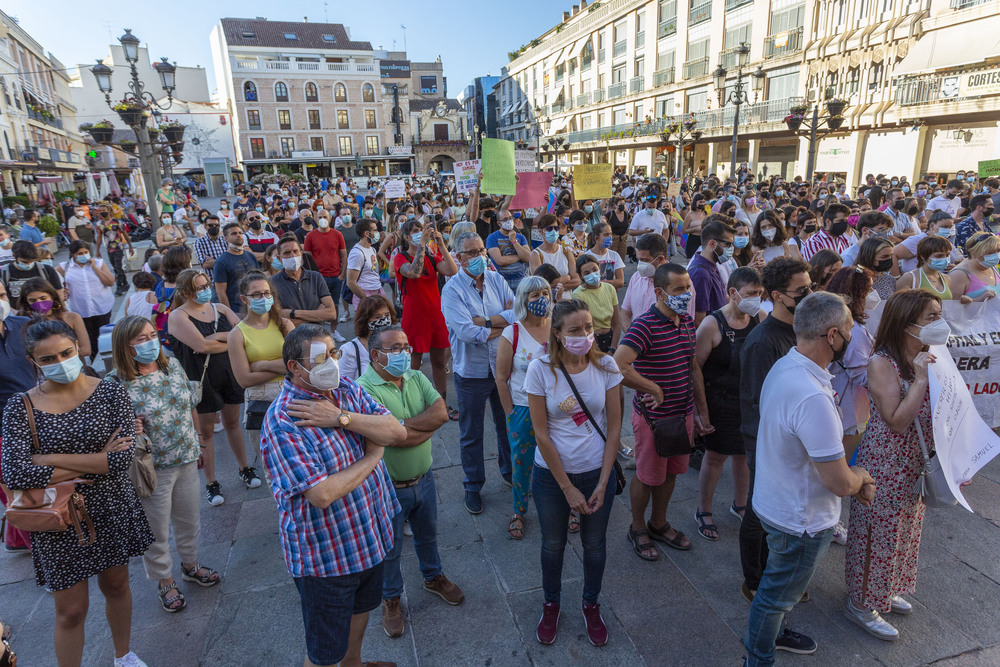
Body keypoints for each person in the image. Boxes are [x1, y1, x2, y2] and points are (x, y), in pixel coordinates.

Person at [1, 319, 154, 667]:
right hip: (58, 517)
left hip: (111, 505)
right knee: (70, 611)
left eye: (66, 352)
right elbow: (16, 472)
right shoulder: (19, 408)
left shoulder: (110, 391)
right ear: (33, 362)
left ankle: (123, 655)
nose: (60, 361)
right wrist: (96, 459)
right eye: (48, 358)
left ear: (77, 348)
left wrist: (48, 460)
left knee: (117, 586)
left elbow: (120, 459)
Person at [259, 323, 406, 667]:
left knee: (360, 613)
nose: (334, 363)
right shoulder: (283, 421)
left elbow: (395, 431)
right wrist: (372, 455)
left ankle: (353, 663)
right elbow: (322, 494)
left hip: (370, 537)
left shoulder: (346, 391)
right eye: (323, 357)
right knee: (325, 653)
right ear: (295, 367)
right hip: (326, 560)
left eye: (335, 353)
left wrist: (342, 418)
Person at [744, 292, 876, 666]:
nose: (855, 337)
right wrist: (861, 476)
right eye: (851, 329)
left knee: (774, 591)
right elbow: (838, 481)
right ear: (832, 335)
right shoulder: (811, 396)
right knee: (773, 598)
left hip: (775, 503)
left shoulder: (787, 365)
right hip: (799, 522)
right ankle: (759, 658)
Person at [843, 289, 941, 641]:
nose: (939, 323)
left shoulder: (929, 354)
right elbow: (896, 420)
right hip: (886, 461)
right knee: (876, 533)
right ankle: (861, 602)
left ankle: (886, 588)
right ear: (906, 323)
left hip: (915, 462)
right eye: (931, 317)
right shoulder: (882, 362)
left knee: (904, 530)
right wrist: (920, 379)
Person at [525, 299, 623, 647]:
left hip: (598, 472)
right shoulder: (540, 369)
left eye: (588, 328)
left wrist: (602, 480)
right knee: (553, 545)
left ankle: (590, 603)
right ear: (558, 334)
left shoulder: (607, 366)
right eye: (575, 330)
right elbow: (541, 433)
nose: (584, 335)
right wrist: (567, 487)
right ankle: (551, 602)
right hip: (552, 478)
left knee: (595, 545)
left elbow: (614, 428)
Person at [357, 324, 464, 638]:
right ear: (376, 355)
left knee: (427, 535)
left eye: (405, 346)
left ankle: (433, 577)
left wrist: (399, 427)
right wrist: (417, 430)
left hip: (425, 479)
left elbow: (442, 413)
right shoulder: (363, 388)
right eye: (395, 348)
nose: (404, 353)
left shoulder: (416, 377)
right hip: (388, 488)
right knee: (389, 550)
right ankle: (391, 598)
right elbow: (387, 440)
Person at [110, 316, 220, 614]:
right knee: (157, 529)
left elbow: (189, 405)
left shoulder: (171, 364)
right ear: (125, 346)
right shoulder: (115, 384)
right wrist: (127, 429)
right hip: (151, 469)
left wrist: (198, 441)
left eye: (151, 334)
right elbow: (108, 435)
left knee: (189, 519)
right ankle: (165, 581)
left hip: (185, 456)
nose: (150, 342)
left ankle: (190, 565)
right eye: (141, 339)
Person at [739, 257, 818, 653]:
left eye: (810, 287)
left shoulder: (800, 331)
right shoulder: (763, 341)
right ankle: (757, 586)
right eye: (800, 291)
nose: (808, 295)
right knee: (760, 514)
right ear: (776, 297)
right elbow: (757, 404)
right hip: (768, 447)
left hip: (790, 447)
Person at [615, 263, 708, 560]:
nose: (686, 294)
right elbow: (618, 364)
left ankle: (659, 523)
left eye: (688, 287)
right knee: (647, 475)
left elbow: (693, 367)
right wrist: (653, 389)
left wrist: (701, 410)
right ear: (659, 292)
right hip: (653, 421)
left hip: (682, 416)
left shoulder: (686, 322)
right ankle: (638, 526)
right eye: (679, 289)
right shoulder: (645, 325)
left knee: (671, 473)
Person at [167, 269, 260, 506]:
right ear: (186, 292)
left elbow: (244, 336)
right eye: (199, 287)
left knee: (233, 423)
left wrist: (217, 338)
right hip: (202, 380)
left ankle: (245, 467)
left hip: (228, 374)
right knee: (206, 431)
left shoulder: (220, 308)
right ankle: (211, 481)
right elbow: (201, 345)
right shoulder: (178, 316)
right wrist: (228, 340)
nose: (205, 290)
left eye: (206, 284)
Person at [441, 231, 515, 514]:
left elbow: (517, 314)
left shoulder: (496, 279)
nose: (479, 257)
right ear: (458, 258)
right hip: (470, 372)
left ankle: (510, 474)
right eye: (471, 253)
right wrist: (501, 325)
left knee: (506, 423)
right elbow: (467, 332)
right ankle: (472, 486)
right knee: (471, 432)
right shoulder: (452, 290)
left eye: (481, 250)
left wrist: (486, 322)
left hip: (502, 367)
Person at [692, 267, 762, 541]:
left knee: (744, 455)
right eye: (750, 294)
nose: (756, 299)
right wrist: (701, 411)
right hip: (718, 402)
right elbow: (694, 368)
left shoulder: (760, 318)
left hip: (749, 403)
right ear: (732, 293)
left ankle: (740, 504)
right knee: (715, 457)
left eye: (759, 293)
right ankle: (704, 510)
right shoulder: (712, 324)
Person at [495, 276, 552, 540]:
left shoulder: (558, 326)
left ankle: (566, 504)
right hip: (522, 407)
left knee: (560, 457)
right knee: (522, 461)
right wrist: (510, 412)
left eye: (545, 292)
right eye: (534, 295)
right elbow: (501, 376)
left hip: (555, 406)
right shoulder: (512, 332)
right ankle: (519, 510)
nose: (541, 299)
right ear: (523, 300)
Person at [227, 271, 295, 466]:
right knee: (273, 464)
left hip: (290, 395)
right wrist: (283, 366)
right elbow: (244, 380)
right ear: (244, 299)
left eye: (267, 293)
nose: (263, 298)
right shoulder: (237, 334)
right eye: (256, 294)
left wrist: (264, 365)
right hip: (260, 399)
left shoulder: (284, 324)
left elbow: (298, 366)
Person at [394, 219, 458, 417]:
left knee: (439, 363)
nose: (419, 233)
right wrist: (421, 243)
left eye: (421, 230)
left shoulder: (432, 255)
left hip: (434, 316)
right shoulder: (400, 258)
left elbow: (452, 271)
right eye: (414, 231)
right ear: (406, 237)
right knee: (412, 365)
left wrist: (441, 245)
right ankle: (412, 406)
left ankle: (441, 405)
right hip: (414, 319)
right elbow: (414, 273)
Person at [0, 282, 34, 552]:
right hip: (4, 434)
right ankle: (43, 554)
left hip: (40, 418)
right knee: (20, 495)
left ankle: (15, 539)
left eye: (0, 295)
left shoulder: (22, 325)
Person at [56, 241, 115, 363]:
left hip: (102, 307)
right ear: (73, 254)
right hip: (81, 310)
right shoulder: (65, 267)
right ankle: (95, 362)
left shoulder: (99, 263)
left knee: (104, 337)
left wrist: (94, 267)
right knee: (89, 339)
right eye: (80, 253)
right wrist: (62, 291)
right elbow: (52, 283)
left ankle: (108, 361)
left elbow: (110, 282)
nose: (84, 255)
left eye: (86, 252)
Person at [271, 235, 338, 327]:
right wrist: (318, 314)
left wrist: (293, 313)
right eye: (287, 253)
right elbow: (280, 321)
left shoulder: (315, 277)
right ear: (279, 258)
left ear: (301, 254)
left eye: (295, 251)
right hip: (293, 338)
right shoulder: (273, 283)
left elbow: (331, 313)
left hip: (319, 335)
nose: (292, 256)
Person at [16, 277, 91, 358]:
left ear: (52, 296)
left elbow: (86, 350)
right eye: (33, 301)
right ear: (26, 302)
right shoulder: (24, 322)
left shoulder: (72, 317)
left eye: (43, 298)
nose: (39, 303)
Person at [688, 218, 735, 326]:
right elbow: (699, 321)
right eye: (728, 244)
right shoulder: (701, 273)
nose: (731, 248)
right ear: (713, 244)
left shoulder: (712, 265)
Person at [620, 233, 669, 333]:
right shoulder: (636, 277)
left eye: (645, 260)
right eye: (639, 260)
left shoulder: (679, 283)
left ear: (660, 259)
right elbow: (624, 313)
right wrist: (633, 336)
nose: (640, 264)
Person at [895, 236, 969, 301]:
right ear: (923, 256)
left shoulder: (947, 278)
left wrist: (961, 300)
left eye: (947, 255)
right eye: (939, 256)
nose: (945, 259)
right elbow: (899, 306)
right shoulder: (910, 278)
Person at [572, 254, 621, 353]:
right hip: (591, 342)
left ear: (599, 267)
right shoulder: (578, 295)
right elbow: (583, 328)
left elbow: (616, 323)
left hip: (610, 339)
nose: (592, 274)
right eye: (587, 273)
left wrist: (612, 348)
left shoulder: (609, 288)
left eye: (595, 270)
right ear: (581, 276)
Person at [341, 295, 394, 382]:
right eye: (377, 317)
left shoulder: (396, 344)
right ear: (365, 320)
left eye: (387, 315)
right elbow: (344, 385)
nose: (384, 320)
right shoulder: (350, 350)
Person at [528, 214, 579, 299]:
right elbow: (541, 285)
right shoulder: (536, 254)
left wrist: (554, 285)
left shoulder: (566, 251)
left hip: (567, 301)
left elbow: (576, 281)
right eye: (549, 228)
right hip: (547, 302)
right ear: (540, 231)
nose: (553, 231)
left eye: (556, 228)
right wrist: (566, 277)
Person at [213, 223, 260, 314]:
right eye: (234, 233)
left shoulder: (251, 256)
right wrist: (229, 314)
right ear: (226, 238)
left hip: (255, 306)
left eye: (240, 233)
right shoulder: (221, 262)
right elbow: (221, 292)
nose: (238, 235)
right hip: (237, 309)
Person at [304, 210, 348, 300]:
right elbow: (307, 259)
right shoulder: (310, 236)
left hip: (336, 276)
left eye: (325, 217)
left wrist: (342, 275)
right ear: (316, 219)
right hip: (318, 277)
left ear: (330, 218)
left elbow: (344, 256)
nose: (322, 219)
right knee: (320, 304)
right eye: (320, 217)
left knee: (335, 304)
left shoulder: (337, 234)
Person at [485, 208, 531, 291]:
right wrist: (520, 256)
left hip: (521, 280)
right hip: (501, 281)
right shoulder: (492, 237)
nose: (509, 221)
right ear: (499, 223)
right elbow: (500, 261)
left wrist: (514, 241)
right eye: (505, 219)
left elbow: (528, 258)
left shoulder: (520, 237)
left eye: (510, 218)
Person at [950, 231, 1000, 301]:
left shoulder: (992, 267)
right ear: (974, 252)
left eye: (998, 251)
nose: (995, 255)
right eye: (990, 252)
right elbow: (951, 307)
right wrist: (977, 300)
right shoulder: (959, 274)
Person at [346, 218, 385, 300]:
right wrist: (365, 299)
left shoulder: (372, 249)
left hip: (377, 289)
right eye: (375, 230)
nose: (378, 233)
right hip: (365, 293)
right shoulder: (357, 253)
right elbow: (350, 282)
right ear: (367, 233)